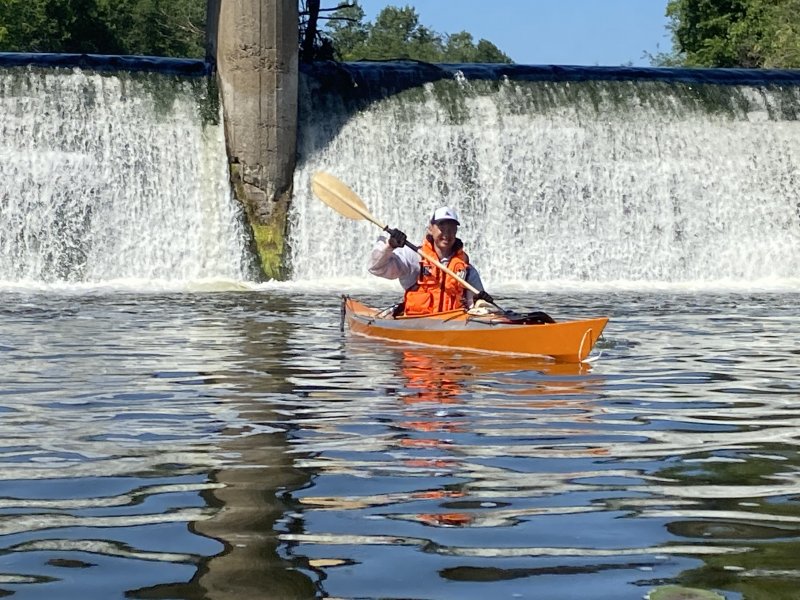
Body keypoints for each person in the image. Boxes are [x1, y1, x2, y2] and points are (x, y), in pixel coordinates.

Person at [367, 206, 493, 315]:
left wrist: (481, 300)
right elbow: (376, 268)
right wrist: (390, 245)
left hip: (453, 324)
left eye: (451, 229)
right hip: (417, 324)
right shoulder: (414, 257)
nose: (447, 234)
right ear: (430, 228)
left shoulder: (465, 267)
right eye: (442, 228)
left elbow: (476, 306)